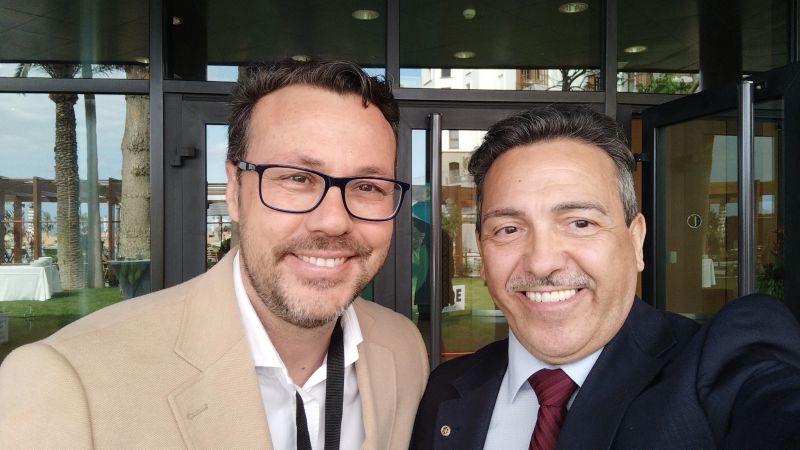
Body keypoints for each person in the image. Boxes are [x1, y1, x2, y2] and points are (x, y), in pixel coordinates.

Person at [0, 59, 429, 449]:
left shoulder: (403, 349)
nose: (333, 221)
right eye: (297, 178)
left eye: (368, 186)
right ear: (235, 191)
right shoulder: (69, 382)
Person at [410, 105, 800, 449]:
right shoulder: (444, 389)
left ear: (636, 241)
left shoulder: (717, 366)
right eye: (509, 229)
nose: (542, 263)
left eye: (580, 223)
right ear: (483, 253)